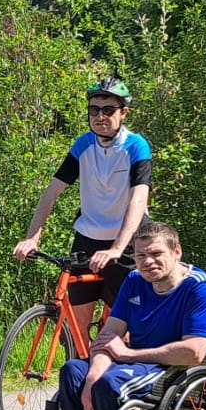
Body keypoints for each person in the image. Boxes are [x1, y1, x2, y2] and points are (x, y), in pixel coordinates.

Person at [51, 219, 206, 410]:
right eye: (141, 255)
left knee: (112, 383)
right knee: (73, 371)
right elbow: (109, 336)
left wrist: (129, 356)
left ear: (176, 251)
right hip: (136, 362)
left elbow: (194, 352)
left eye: (156, 254)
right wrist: (92, 377)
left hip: (176, 370)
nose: (148, 262)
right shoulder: (133, 281)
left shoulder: (200, 287)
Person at [14, 77, 152, 317]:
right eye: (94, 110)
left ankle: (118, 352)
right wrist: (31, 238)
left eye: (109, 110)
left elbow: (139, 200)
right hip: (88, 237)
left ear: (124, 113)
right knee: (78, 319)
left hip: (127, 240)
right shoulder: (84, 145)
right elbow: (51, 193)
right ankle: (81, 354)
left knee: (120, 325)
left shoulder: (135, 146)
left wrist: (117, 248)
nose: (100, 116)